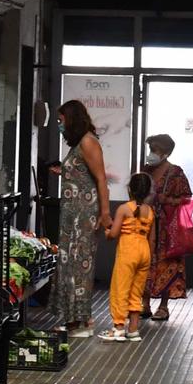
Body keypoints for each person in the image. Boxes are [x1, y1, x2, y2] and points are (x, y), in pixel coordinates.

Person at [52, 100, 111, 336]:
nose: (59, 124)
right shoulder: (79, 143)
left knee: (79, 265)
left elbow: (101, 179)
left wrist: (105, 213)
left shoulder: (88, 142)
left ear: (71, 118)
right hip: (72, 215)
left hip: (82, 215)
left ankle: (82, 321)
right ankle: (74, 319)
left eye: (61, 120)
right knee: (71, 264)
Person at [139, 134, 193, 323]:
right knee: (144, 262)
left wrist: (168, 200)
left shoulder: (176, 172)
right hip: (145, 225)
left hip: (166, 228)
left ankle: (163, 305)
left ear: (166, 153)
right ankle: (144, 303)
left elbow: (187, 198)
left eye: (155, 150)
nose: (151, 154)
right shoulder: (145, 170)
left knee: (166, 263)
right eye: (150, 150)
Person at [103, 173, 155, 342]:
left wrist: (107, 231)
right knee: (136, 291)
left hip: (128, 251)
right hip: (144, 251)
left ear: (129, 190)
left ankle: (118, 327)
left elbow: (114, 234)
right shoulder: (150, 211)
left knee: (120, 289)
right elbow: (152, 238)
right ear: (148, 192)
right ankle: (133, 329)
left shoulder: (124, 209)